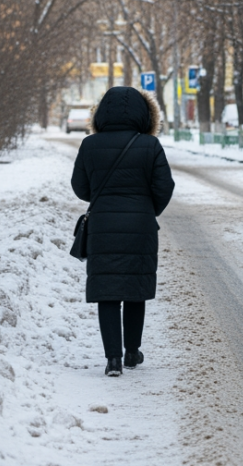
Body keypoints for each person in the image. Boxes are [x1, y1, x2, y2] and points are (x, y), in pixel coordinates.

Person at [71, 86, 174, 377]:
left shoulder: (89, 145)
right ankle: (132, 352)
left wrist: (102, 198)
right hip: (140, 226)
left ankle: (113, 360)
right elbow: (164, 186)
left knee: (107, 291)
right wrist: (146, 208)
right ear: (145, 114)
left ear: (101, 112)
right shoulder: (150, 145)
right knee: (134, 289)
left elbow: (80, 187)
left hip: (102, 225)